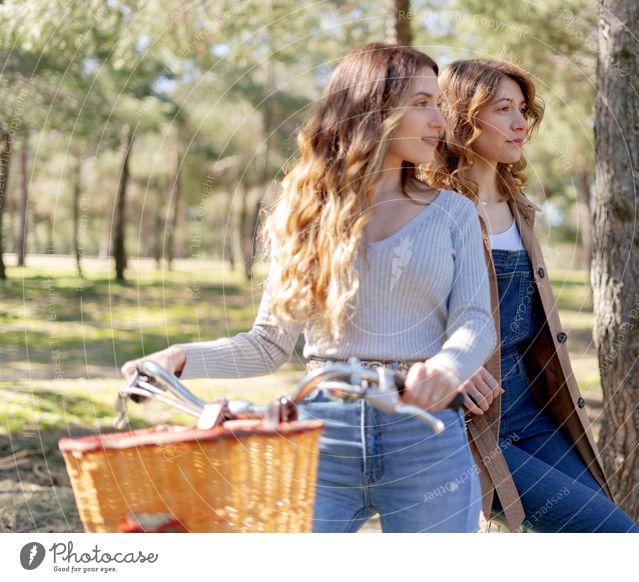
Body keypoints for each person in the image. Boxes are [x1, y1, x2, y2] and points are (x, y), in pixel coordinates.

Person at [121, 43, 495, 533]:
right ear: (372, 109)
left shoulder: (454, 212)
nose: (439, 122)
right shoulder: (305, 215)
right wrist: (179, 357)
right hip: (319, 434)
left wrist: (449, 367)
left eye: (438, 105)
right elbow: (268, 344)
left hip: (424, 434)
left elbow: (475, 319)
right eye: (422, 103)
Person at [425, 58, 639, 532]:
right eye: (503, 109)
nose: (521, 122)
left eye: (522, 109)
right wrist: (446, 371)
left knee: (609, 527)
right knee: (612, 534)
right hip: (469, 421)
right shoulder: (430, 209)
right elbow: (398, 315)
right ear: (462, 116)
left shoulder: (519, 206)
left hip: (533, 408)